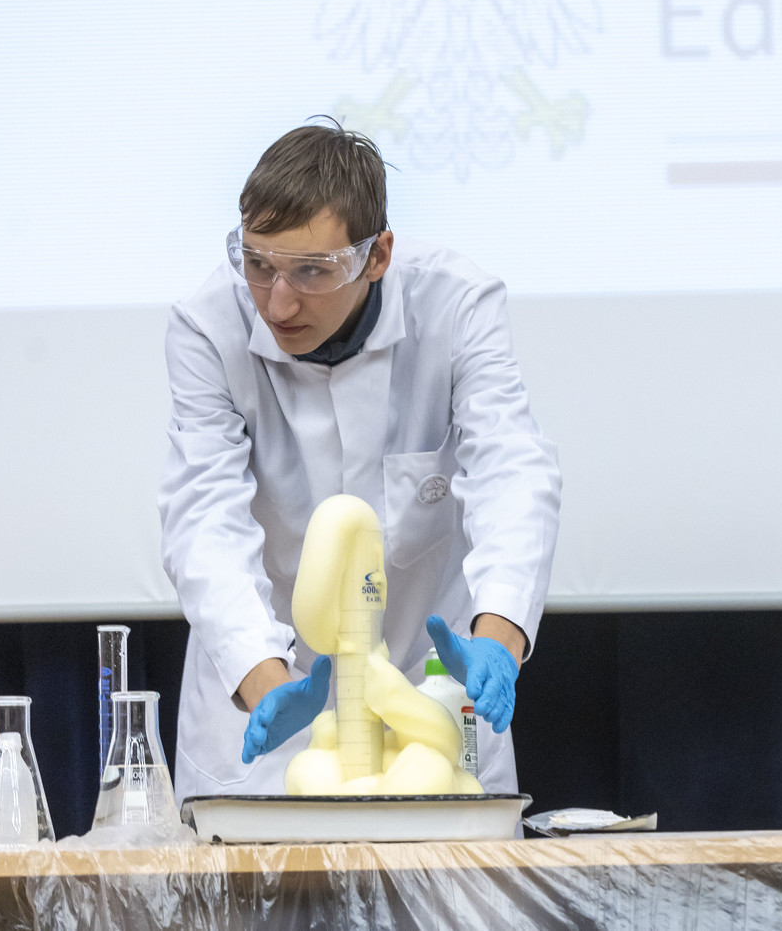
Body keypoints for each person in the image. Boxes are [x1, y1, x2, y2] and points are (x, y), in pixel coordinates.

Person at [159, 121, 561, 800]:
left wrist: (497, 638)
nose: (278, 301)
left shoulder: (456, 304)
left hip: (430, 687)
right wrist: (265, 679)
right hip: (273, 696)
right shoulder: (207, 325)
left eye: (311, 271)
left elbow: (512, 470)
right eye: (258, 264)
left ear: (377, 256)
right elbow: (204, 521)